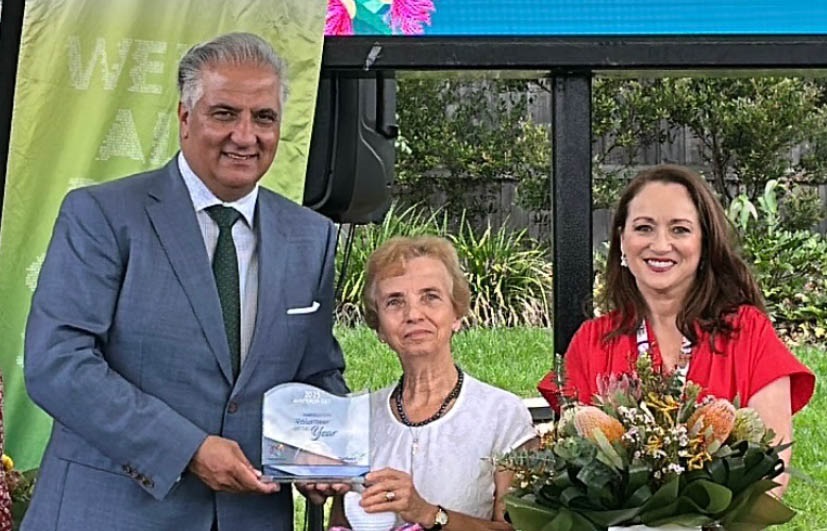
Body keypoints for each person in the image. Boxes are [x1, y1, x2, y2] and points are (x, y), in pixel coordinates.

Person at [22, 32, 347, 530]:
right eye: (224, 113)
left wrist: (321, 453)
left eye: (264, 117)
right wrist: (187, 449)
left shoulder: (311, 236)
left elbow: (317, 374)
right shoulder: (103, 215)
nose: (246, 135)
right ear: (184, 118)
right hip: (111, 514)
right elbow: (58, 363)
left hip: (252, 516)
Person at [538, 164, 815, 494]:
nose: (660, 244)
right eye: (644, 228)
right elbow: (572, 469)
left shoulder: (748, 333)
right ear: (622, 240)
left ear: (704, 243)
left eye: (680, 230)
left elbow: (770, 476)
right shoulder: (591, 342)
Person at [330, 236, 536, 531]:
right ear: (379, 328)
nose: (413, 314)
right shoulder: (357, 417)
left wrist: (427, 513)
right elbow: (338, 524)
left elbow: (519, 529)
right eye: (394, 302)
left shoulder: (503, 415)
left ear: (456, 314)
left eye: (430, 297)